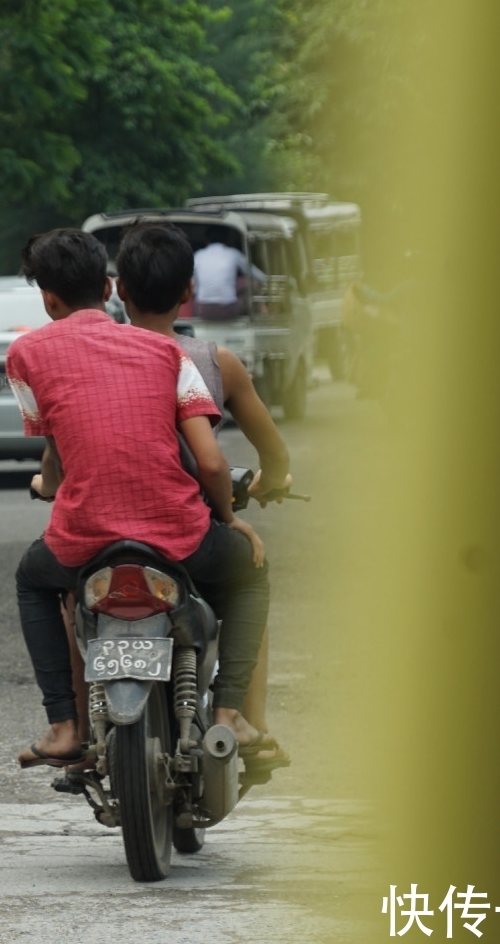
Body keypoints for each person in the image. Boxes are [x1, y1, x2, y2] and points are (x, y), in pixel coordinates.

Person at [7, 229, 271, 769]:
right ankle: (230, 716)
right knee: (248, 575)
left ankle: (63, 726)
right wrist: (229, 520)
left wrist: (51, 486)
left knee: (32, 580)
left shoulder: (25, 354)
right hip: (178, 535)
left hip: (83, 542)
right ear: (107, 287)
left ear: (49, 299)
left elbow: (56, 453)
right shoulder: (166, 352)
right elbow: (213, 464)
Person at [114, 223, 295, 783]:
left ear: (119, 289)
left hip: (106, 530)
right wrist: (270, 481)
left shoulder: (96, 361)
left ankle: (72, 719)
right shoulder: (215, 363)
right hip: (186, 531)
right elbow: (270, 453)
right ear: (188, 292)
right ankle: (241, 719)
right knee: (248, 576)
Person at [192, 237, 265, 321]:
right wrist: (266, 279)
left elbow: (193, 287)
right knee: (253, 283)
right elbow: (254, 273)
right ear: (227, 242)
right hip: (229, 311)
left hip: (204, 312)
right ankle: (262, 313)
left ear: (206, 241)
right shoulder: (233, 253)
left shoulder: (198, 255)